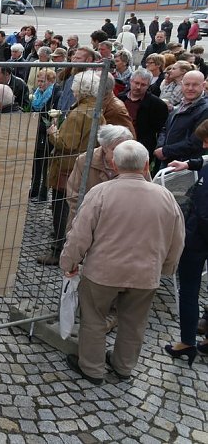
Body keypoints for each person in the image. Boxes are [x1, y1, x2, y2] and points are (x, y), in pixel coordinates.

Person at [60, 141, 184, 385]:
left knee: (94, 318)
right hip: (145, 275)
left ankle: (92, 369)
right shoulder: (166, 196)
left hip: (102, 272)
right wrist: (167, 269)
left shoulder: (101, 193)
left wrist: (69, 262)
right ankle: (123, 366)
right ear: (147, 164)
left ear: (114, 164)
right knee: (134, 322)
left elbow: (79, 234)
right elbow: (177, 239)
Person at [40, 71, 104, 265]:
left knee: (62, 209)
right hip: (83, 165)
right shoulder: (96, 109)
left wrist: (53, 132)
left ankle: (58, 249)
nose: (73, 91)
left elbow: (66, 143)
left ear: (81, 90)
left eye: (75, 88)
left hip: (68, 167)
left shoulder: (78, 113)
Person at [165, 120, 208, 365]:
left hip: (197, 239)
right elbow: (205, 159)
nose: (203, 146)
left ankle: (187, 342)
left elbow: (203, 212)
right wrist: (189, 163)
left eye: (205, 141)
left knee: (189, 291)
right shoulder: (205, 162)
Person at [155, 71, 208, 167]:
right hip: (167, 161)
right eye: (187, 84)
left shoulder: (205, 110)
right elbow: (165, 129)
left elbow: (197, 141)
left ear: (203, 85)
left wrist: (166, 151)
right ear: (181, 85)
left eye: (195, 85)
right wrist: (161, 147)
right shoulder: (179, 105)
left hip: (186, 166)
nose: (190, 88)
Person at [120, 68, 169, 157]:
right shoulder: (120, 99)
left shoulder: (157, 105)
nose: (138, 87)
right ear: (131, 81)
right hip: (119, 142)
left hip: (141, 147)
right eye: (136, 83)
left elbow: (161, 129)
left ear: (148, 86)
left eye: (143, 85)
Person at [29, 68, 61, 201]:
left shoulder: (56, 94)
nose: (39, 84)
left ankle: (43, 192)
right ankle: (34, 189)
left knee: (46, 165)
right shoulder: (36, 93)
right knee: (35, 163)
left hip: (48, 134)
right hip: (36, 133)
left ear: (51, 81)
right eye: (38, 80)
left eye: (43, 81)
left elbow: (56, 117)